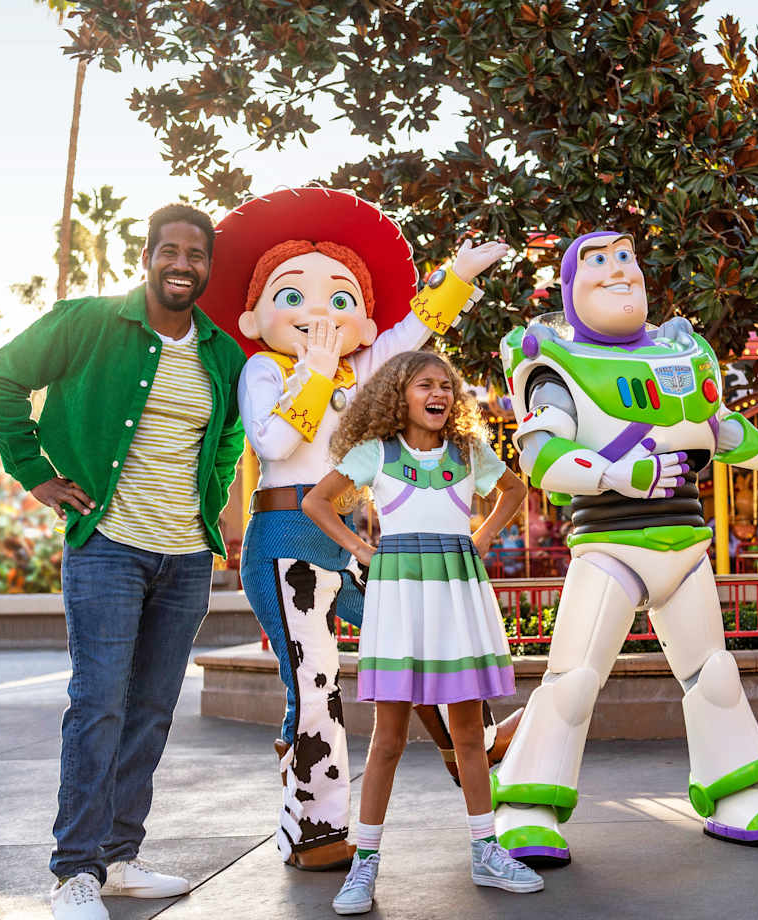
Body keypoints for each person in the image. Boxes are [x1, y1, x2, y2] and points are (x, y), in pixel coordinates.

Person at [197, 187, 517, 869]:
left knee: (414, 637)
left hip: (347, 539)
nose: (319, 313)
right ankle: (314, 827)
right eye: (294, 296)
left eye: (339, 300)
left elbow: (411, 336)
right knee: (314, 682)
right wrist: (312, 375)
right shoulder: (264, 369)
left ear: (362, 325)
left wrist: (458, 277)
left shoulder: (359, 369)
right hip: (286, 538)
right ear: (255, 318)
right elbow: (274, 443)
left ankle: (474, 744)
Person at [493, 230, 758, 865]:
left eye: (626, 258)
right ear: (571, 286)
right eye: (597, 261)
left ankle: (738, 793)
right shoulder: (558, 364)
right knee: (574, 680)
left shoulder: (680, 352)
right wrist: (614, 474)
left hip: (685, 544)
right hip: (610, 546)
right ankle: (526, 804)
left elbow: (719, 430)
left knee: (715, 674)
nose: (618, 270)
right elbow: (540, 454)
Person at [0, 204, 246, 920]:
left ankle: (119, 856)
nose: (182, 265)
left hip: (186, 557)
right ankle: (75, 871)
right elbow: (2, 378)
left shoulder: (222, 353)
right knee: (98, 704)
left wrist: (211, 502)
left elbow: (227, 438)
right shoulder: (88, 322)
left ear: (207, 267)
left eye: (195, 255)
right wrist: (36, 473)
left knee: (153, 711)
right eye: (170, 251)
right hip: (109, 547)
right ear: (147, 257)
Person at [303, 350, 541, 913]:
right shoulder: (376, 453)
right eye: (424, 384)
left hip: (457, 595)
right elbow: (316, 502)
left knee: (468, 735)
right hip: (401, 600)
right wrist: (361, 548)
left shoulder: (469, 452)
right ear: (398, 395)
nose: (438, 394)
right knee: (387, 738)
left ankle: (486, 850)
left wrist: (481, 538)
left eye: (446, 385)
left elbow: (514, 491)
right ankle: (365, 863)